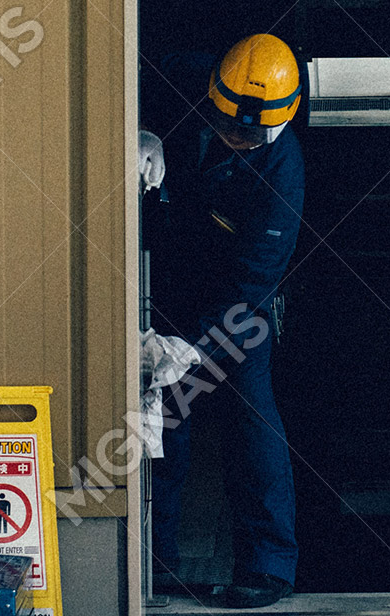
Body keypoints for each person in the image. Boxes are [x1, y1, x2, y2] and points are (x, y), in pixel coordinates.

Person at [139, 34, 305, 609]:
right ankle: (154, 564)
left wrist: (191, 347)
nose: (238, 138)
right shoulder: (181, 72)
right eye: (228, 124)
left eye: (252, 135)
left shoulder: (282, 175)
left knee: (250, 419)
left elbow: (253, 282)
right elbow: (123, 78)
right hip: (171, 272)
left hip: (237, 302)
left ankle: (268, 566)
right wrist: (142, 130)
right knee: (163, 417)